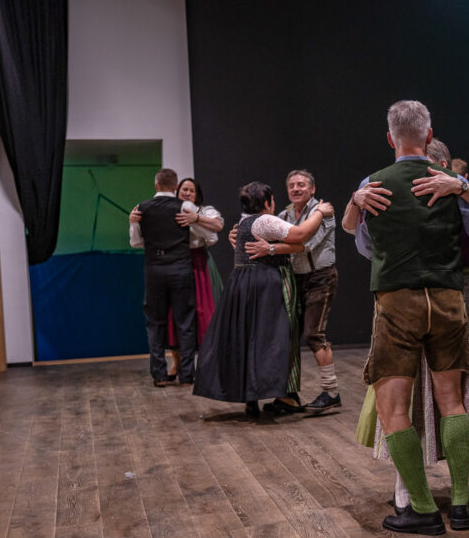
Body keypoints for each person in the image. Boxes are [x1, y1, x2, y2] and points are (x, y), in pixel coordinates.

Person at [345, 100, 469, 536]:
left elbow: (356, 235)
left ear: (390, 138)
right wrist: (460, 185)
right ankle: (460, 505)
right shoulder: (451, 182)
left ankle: (422, 508)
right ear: (429, 136)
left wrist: (355, 201)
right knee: (452, 401)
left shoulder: (372, 183)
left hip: (397, 301)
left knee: (393, 409)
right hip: (448, 298)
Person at [193, 182, 333, 417]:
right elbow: (301, 235)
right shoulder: (264, 220)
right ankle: (283, 395)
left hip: (242, 283)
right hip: (265, 283)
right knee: (276, 338)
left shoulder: (243, 222)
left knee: (248, 338)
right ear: (267, 203)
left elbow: (297, 243)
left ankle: (255, 395)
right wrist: (320, 211)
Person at [245, 170, 341, 414]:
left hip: (320, 277)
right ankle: (287, 396)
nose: (296, 189)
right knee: (286, 335)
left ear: (312, 189)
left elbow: (305, 244)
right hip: (294, 278)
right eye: (291, 185)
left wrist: (271, 248)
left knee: (313, 334)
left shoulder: (323, 211)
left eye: (301, 184)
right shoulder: (284, 215)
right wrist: (238, 233)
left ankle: (331, 392)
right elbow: (263, 233)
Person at [134, 177, 224, 379]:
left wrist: (195, 218)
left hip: (197, 263)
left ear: (197, 194)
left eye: (191, 190)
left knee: (203, 313)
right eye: (184, 189)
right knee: (173, 316)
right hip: (175, 263)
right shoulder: (169, 210)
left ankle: (205, 365)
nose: (187, 193)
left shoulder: (204, 211)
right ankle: (177, 363)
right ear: (176, 190)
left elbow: (216, 228)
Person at [129, 168, 197, 387]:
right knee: (185, 322)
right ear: (176, 187)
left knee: (155, 322)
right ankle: (187, 375)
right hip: (180, 267)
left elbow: (135, 242)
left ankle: (159, 375)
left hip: (154, 268)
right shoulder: (186, 207)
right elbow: (201, 235)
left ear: (156, 185)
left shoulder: (141, 208)